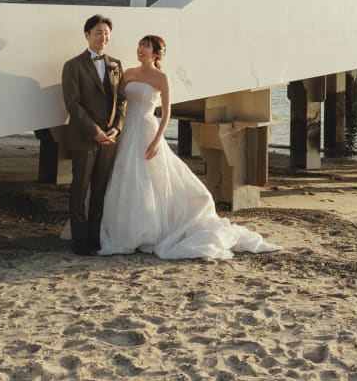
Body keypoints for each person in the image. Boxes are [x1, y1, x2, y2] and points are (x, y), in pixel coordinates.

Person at [99, 35, 280, 260]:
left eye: (145, 46)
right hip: (127, 131)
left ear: (156, 53)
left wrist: (156, 141)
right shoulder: (129, 74)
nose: (140, 50)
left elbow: (166, 114)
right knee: (125, 175)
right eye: (139, 46)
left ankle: (149, 230)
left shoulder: (161, 77)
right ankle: (124, 228)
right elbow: (120, 105)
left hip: (147, 129)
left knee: (149, 178)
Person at [61, 14, 127, 256]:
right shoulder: (73, 65)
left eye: (107, 32)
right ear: (87, 34)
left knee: (100, 190)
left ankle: (96, 237)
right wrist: (95, 132)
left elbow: (122, 100)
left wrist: (116, 128)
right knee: (79, 189)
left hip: (110, 139)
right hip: (84, 137)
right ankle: (80, 240)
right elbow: (73, 104)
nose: (103, 37)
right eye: (98, 32)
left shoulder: (116, 64)